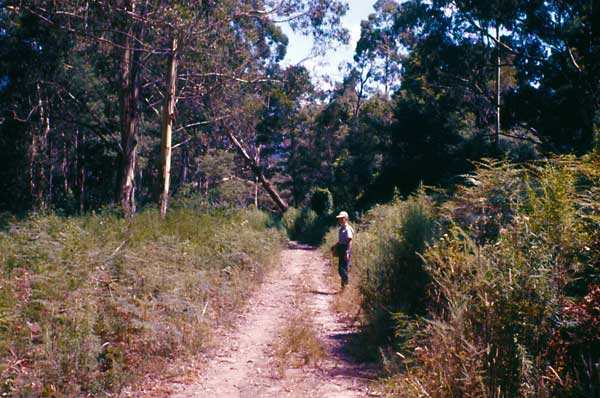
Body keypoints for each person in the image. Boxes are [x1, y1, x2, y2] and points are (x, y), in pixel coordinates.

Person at [336, 211, 354, 289]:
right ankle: (343, 285)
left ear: (346, 219)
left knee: (344, 268)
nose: (340, 220)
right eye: (339, 218)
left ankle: (345, 285)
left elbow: (349, 241)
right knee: (340, 268)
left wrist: (347, 252)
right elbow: (341, 240)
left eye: (342, 218)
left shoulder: (347, 229)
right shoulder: (341, 228)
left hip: (345, 249)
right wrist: (336, 245)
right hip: (341, 249)